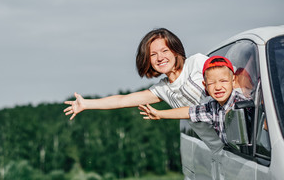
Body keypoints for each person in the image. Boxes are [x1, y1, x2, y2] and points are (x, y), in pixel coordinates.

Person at [64, 28, 223, 151]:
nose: (160, 58)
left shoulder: (197, 63)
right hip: (220, 151)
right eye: (153, 54)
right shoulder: (163, 89)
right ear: (148, 60)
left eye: (165, 51)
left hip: (241, 144)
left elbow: (234, 79)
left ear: (176, 51)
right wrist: (86, 104)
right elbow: (122, 100)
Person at [138, 56, 251, 144]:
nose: (217, 87)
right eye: (211, 83)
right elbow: (188, 111)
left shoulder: (242, 102)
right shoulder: (212, 107)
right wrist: (159, 114)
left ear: (233, 81)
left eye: (223, 81)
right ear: (205, 85)